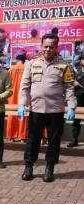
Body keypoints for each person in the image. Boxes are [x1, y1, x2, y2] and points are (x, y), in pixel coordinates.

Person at [18, 33, 76, 182]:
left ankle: (49, 168)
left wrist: (71, 107)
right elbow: (24, 86)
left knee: (54, 141)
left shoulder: (64, 65)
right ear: (41, 46)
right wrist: (21, 104)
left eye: (51, 46)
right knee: (32, 140)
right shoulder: (31, 64)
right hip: (36, 109)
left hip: (55, 110)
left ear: (56, 47)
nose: (48, 49)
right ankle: (29, 167)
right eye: (45, 46)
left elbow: (69, 87)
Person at [6, 54, 27, 143]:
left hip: (12, 95)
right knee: (23, 115)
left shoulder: (11, 69)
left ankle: (11, 135)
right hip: (24, 95)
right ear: (24, 60)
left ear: (16, 60)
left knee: (12, 114)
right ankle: (22, 136)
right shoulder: (26, 68)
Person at [68, 53, 84, 147]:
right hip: (79, 96)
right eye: (83, 59)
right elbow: (69, 79)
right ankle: (74, 140)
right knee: (76, 119)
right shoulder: (76, 69)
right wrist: (74, 82)